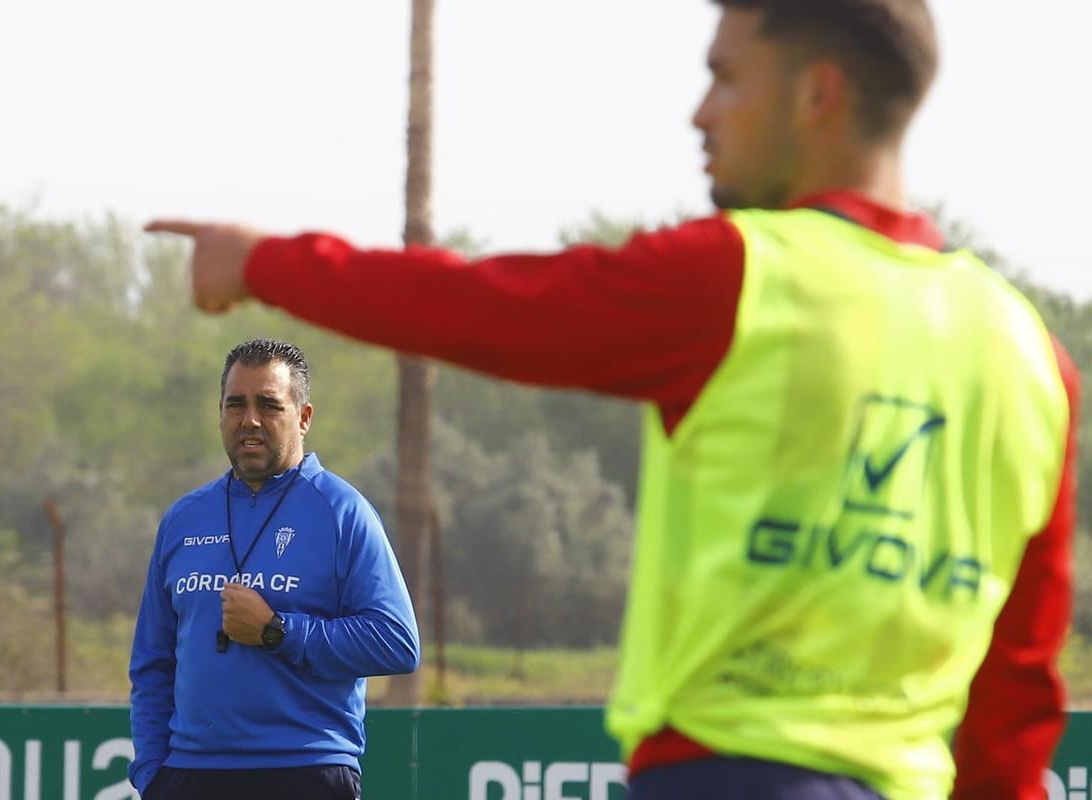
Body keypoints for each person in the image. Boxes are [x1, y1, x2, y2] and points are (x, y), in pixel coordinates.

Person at [145, 1, 1080, 798]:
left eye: (725, 75)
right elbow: (1018, 700)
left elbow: (487, 308)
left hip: (729, 775)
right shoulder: (1028, 354)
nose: (700, 113)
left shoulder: (741, 276)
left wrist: (265, 261)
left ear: (817, 93)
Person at [128, 338, 420, 800]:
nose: (250, 420)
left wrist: (277, 632)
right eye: (236, 404)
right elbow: (152, 663)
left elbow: (397, 643)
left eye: (269, 404)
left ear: (303, 417)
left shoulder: (342, 512)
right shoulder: (184, 519)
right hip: (189, 775)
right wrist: (151, 773)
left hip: (305, 770)